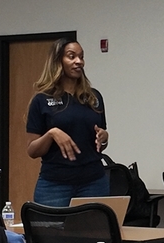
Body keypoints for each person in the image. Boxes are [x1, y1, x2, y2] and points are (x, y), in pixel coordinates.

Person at [26, 38, 109, 207]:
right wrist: (51, 134)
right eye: (72, 56)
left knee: (95, 232)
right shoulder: (41, 100)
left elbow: (99, 142)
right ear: (58, 61)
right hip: (55, 185)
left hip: (94, 182)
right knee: (52, 233)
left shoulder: (94, 97)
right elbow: (32, 150)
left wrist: (104, 137)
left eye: (81, 57)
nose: (79, 61)